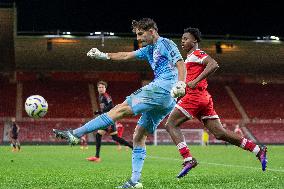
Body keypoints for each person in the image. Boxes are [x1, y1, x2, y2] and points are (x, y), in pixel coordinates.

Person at [53, 18, 186, 188]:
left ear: (152, 31)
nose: (138, 38)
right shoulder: (149, 49)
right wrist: (103, 55)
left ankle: (76, 134)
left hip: (162, 88)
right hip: (168, 100)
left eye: (140, 34)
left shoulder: (165, 43)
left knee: (120, 109)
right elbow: (125, 55)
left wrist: (181, 83)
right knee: (138, 136)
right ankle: (135, 181)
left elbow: (181, 64)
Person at [164, 27, 268, 179]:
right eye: (182, 39)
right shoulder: (189, 58)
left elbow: (213, 64)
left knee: (170, 124)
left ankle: (188, 159)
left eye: (186, 39)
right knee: (220, 133)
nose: (183, 42)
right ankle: (258, 150)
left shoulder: (197, 54)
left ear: (195, 41)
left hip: (195, 96)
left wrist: (195, 81)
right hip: (203, 98)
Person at [86, 80, 133, 162]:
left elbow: (111, 106)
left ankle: (97, 157)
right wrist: (100, 112)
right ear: (97, 88)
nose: (101, 89)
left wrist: (101, 111)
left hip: (108, 119)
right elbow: (106, 108)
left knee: (99, 135)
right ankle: (133, 147)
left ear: (105, 88)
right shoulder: (100, 96)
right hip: (108, 118)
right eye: (99, 87)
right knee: (115, 138)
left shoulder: (106, 96)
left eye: (102, 87)